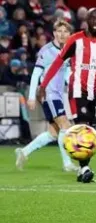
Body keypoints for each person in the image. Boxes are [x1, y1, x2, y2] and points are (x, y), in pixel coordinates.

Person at [38, 8, 96, 183]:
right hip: (77, 91)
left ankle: (82, 169)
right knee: (82, 128)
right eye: (93, 18)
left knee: (91, 132)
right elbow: (58, 62)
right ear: (87, 21)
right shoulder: (75, 40)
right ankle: (85, 168)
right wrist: (43, 85)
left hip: (95, 93)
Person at [15, 19, 78, 172]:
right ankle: (67, 164)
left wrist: (74, 83)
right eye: (59, 31)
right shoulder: (47, 50)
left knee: (53, 133)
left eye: (65, 32)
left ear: (69, 34)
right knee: (66, 126)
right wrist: (31, 96)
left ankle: (24, 152)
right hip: (48, 94)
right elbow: (36, 73)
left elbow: (65, 75)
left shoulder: (68, 51)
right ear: (55, 33)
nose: (62, 34)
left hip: (57, 95)